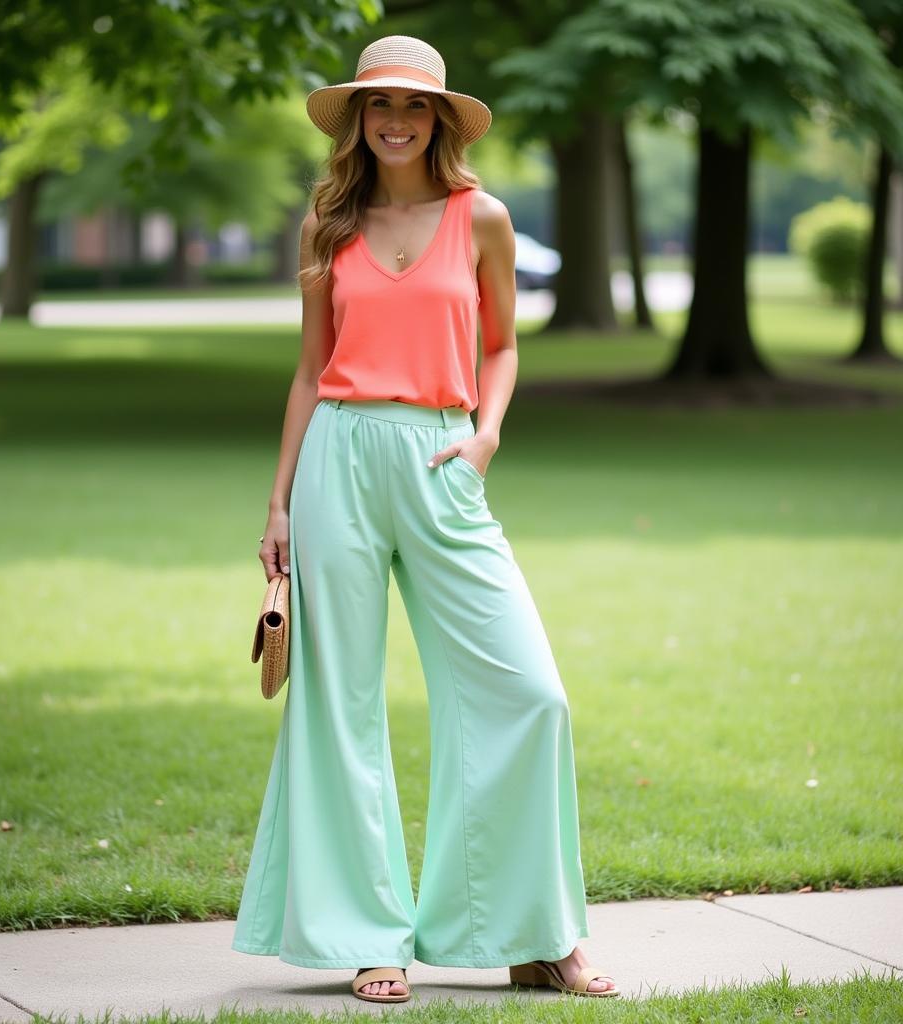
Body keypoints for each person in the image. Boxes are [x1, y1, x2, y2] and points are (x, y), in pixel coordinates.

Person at [231, 33, 620, 1003]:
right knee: (340, 702)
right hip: (339, 460)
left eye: (413, 107)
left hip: (445, 459)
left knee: (529, 692)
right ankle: (371, 936)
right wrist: (278, 499)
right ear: (358, 120)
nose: (395, 121)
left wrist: (484, 437)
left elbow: (501, 346)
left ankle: (536, 934)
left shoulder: (478, 217)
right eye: (378, 107)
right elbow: (310, 369)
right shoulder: (329, 224)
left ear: (439, 120)